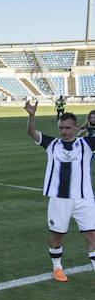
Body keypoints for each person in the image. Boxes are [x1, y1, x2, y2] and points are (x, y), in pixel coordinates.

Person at [25, 101, 95, 281]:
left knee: (92, 234)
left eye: (68, 128)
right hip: (59, 199)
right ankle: (57, 268)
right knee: (57, 235)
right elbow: (32, 133)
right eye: (61, 127)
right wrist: (32, 116)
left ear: (76, 127)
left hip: (84, 198)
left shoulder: (87, 144)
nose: (64, 131)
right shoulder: (52, 144)